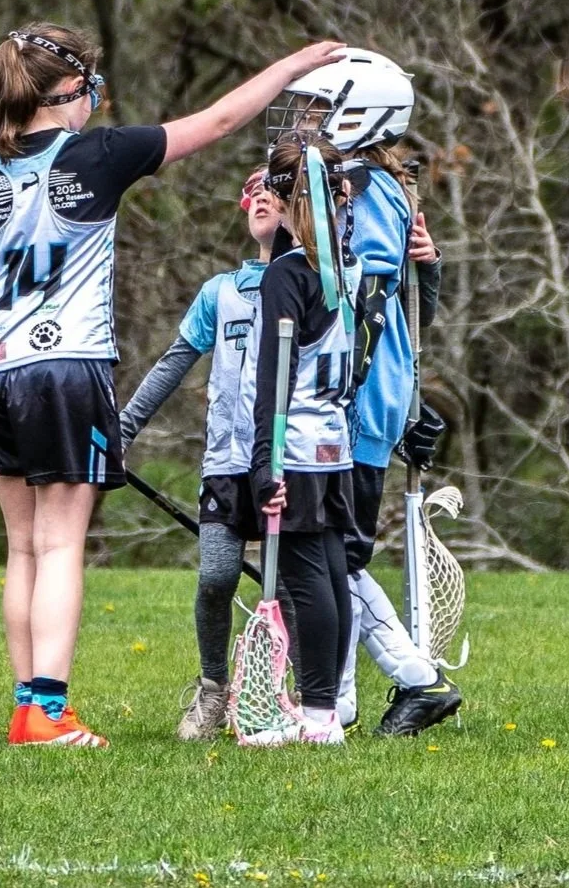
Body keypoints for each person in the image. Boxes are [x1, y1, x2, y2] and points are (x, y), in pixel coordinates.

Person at [0, 22, 344, 747]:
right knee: (60, 543)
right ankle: (48, 709)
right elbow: (216, 121)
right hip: (67, 367)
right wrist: (289, 66)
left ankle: (26, 702)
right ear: (71, 92)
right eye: (91, 91)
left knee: (22, 547)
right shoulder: (100, 151)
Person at [266, 48, 458, 735]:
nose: (306, 123)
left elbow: (367, 305)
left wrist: (363, 399)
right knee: (329, 554)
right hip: (360, 398)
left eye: (319, 112)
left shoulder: (363, 194)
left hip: (352, 402)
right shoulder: (363, 187)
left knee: (330, 554)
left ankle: (410, 681)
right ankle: (340, 699)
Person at [117, 167, 281, 740]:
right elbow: (174, 362)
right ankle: (215, 689)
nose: (261, 196)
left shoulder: (319, 284)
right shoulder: (222, 291)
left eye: (276, 189)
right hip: (227, 463)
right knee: (217, 577)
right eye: (253, 189)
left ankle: (307, 693)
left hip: (296, 462)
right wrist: (124, 427)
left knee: (295, 584)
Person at [248, 133, 358, 746]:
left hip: (299, 442)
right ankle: (327, 707)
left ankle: (318, 713)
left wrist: (265, 461)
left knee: (308, 575)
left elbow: (273, 376)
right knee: (332, 571)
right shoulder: (344, 268)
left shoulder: (288, 276)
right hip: (336, 444)